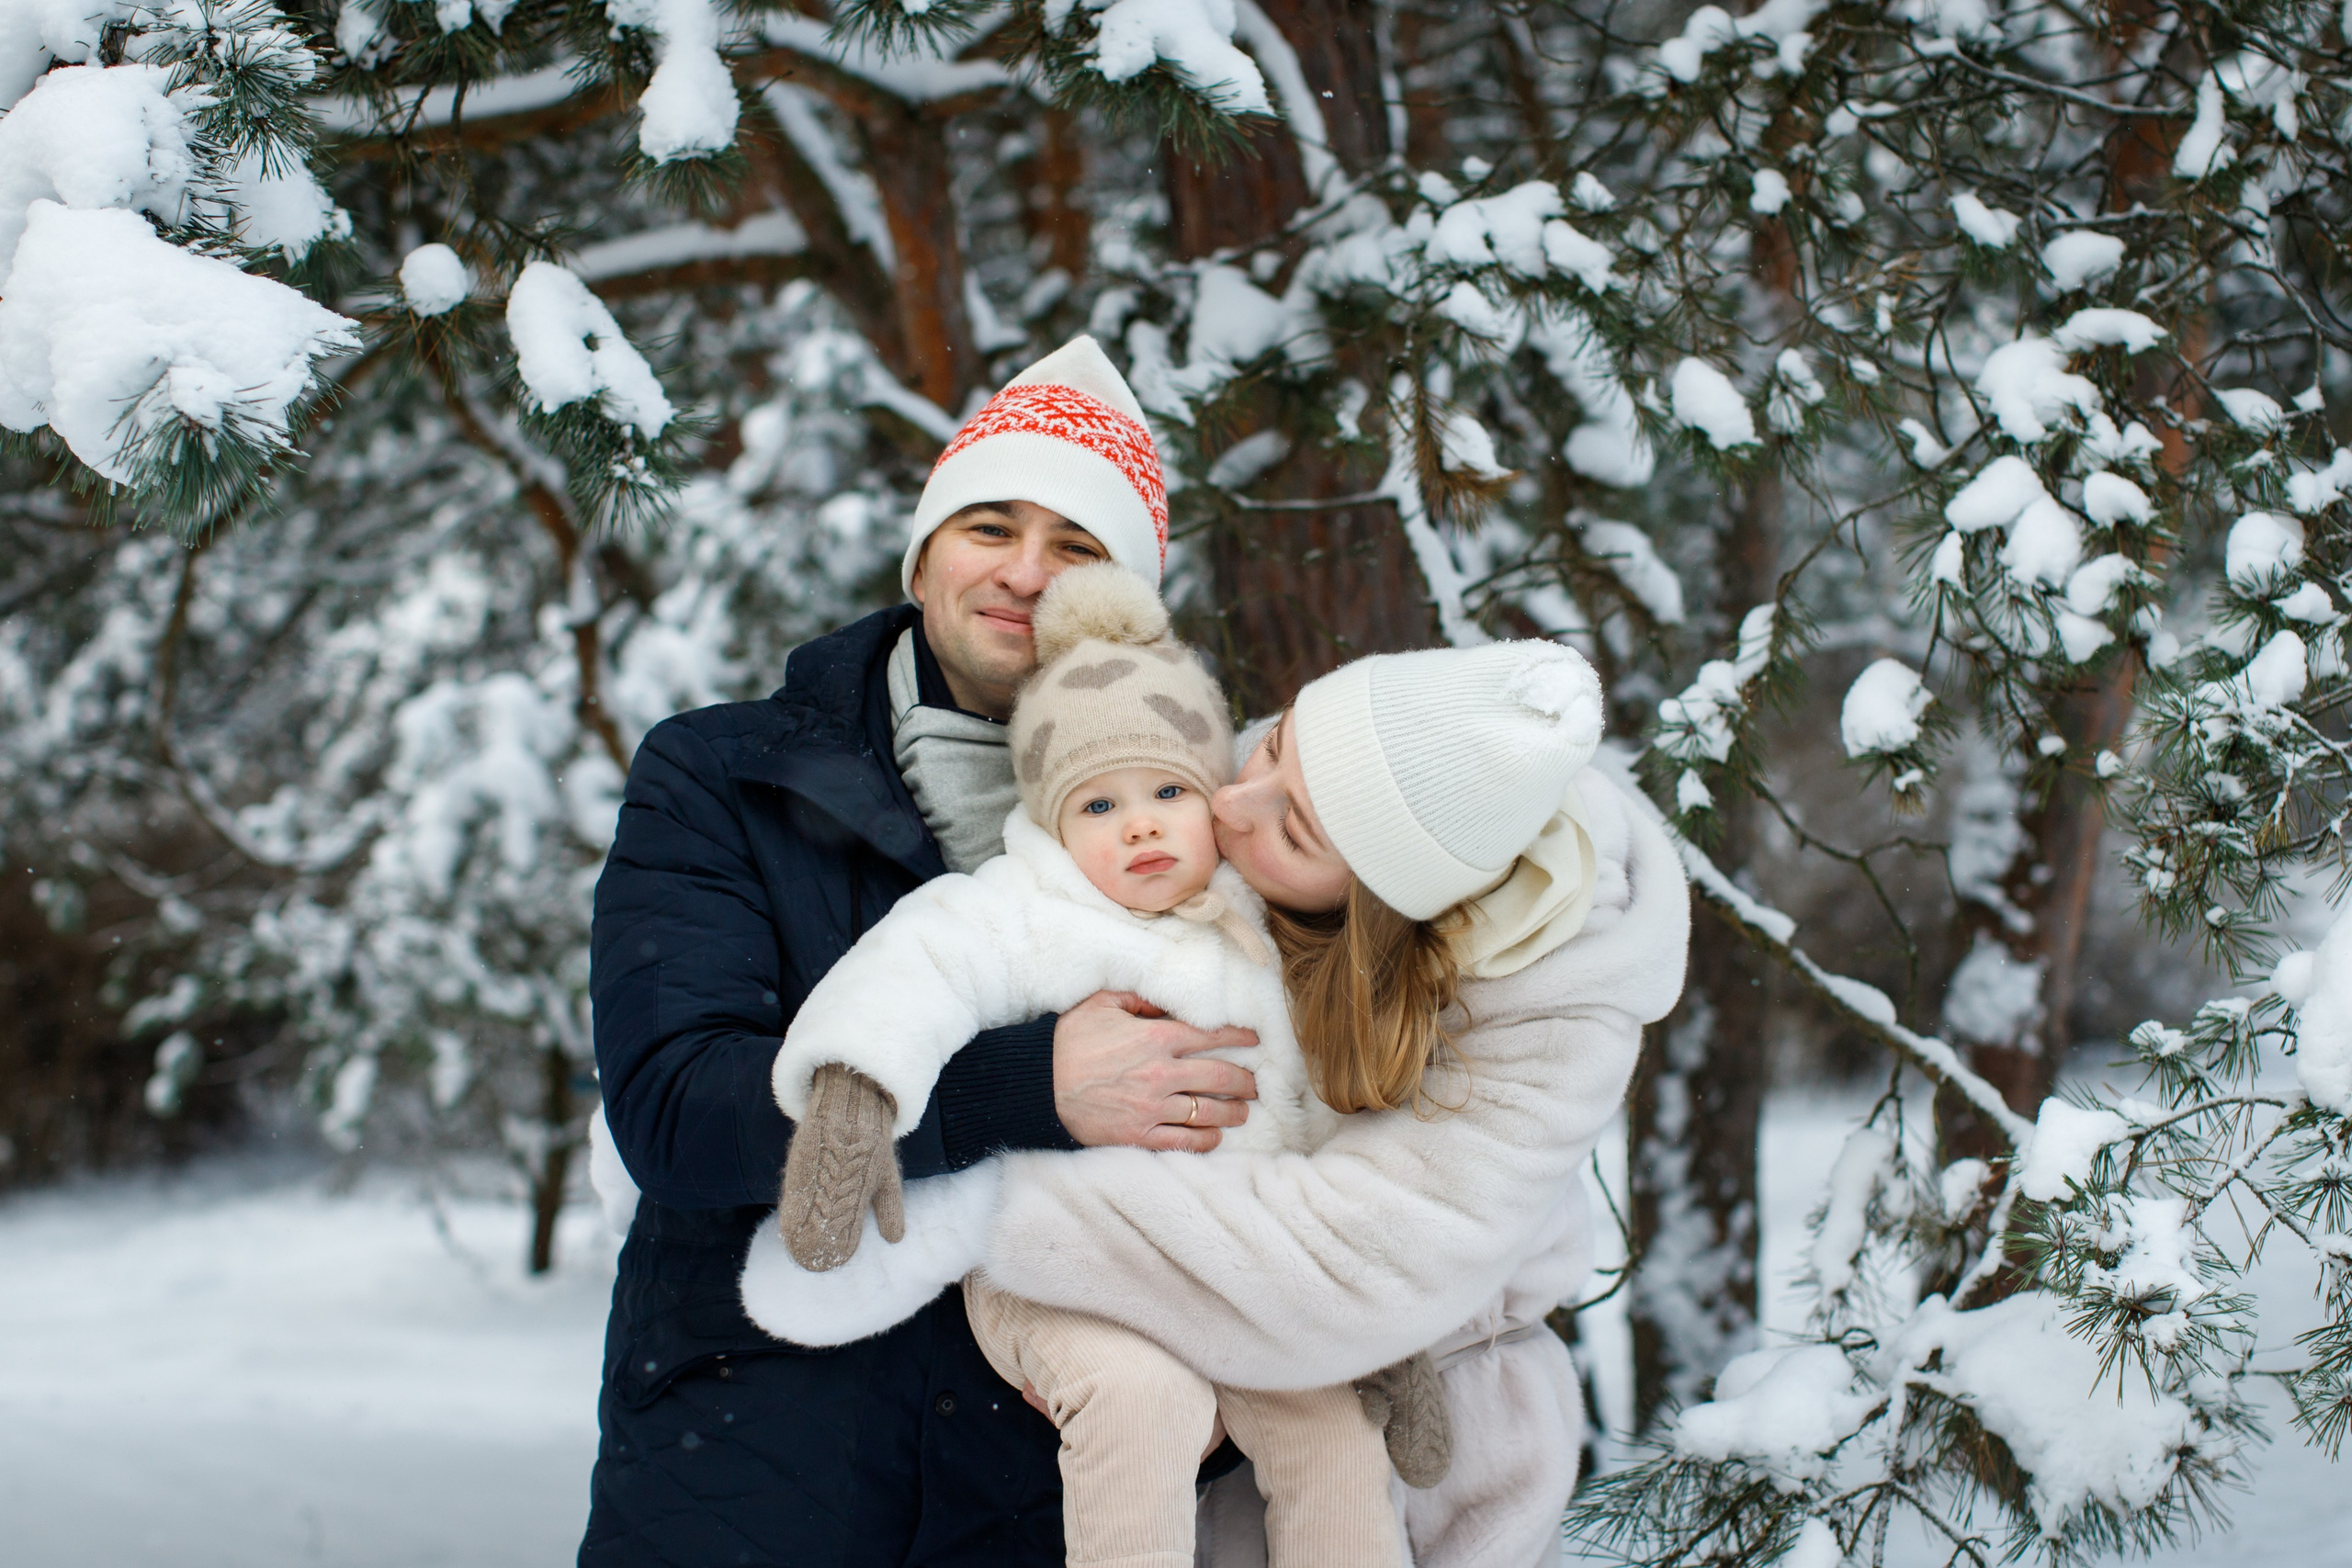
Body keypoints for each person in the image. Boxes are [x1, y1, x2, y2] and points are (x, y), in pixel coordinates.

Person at [582, 337, 1261, 1566]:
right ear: (928, 548)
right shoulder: (722, 776)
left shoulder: (1197, 823)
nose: (1024, 574)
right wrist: (1032, 1085)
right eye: (989, 525)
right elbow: (677, 1108)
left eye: (1078, 547)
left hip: (1039, 1501)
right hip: (748, 1483)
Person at [752, 560, 1451, 1568]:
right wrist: (856, 1094)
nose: (1139, 825)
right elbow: (910, 972)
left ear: (1217, 798)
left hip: (1236, 1277)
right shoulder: (1026, 909)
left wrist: (1382, 1329)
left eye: (1169, 790)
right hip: (1061, 1269)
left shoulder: (1259, 936)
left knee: (1331, 1430)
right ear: (1048, 823)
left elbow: (1318, 1125)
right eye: (1097, 806)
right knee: (1140, 1401)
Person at [971, 645, 1693, 1567]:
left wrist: (1001, 1210)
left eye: (1296, 828)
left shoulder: (1553, 1010)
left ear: (1380, 905)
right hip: (1230, 1432)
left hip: (1427, 1472)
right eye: (1273, 747)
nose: (1230, 801)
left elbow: (1344, 1262)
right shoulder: (1228, 813)